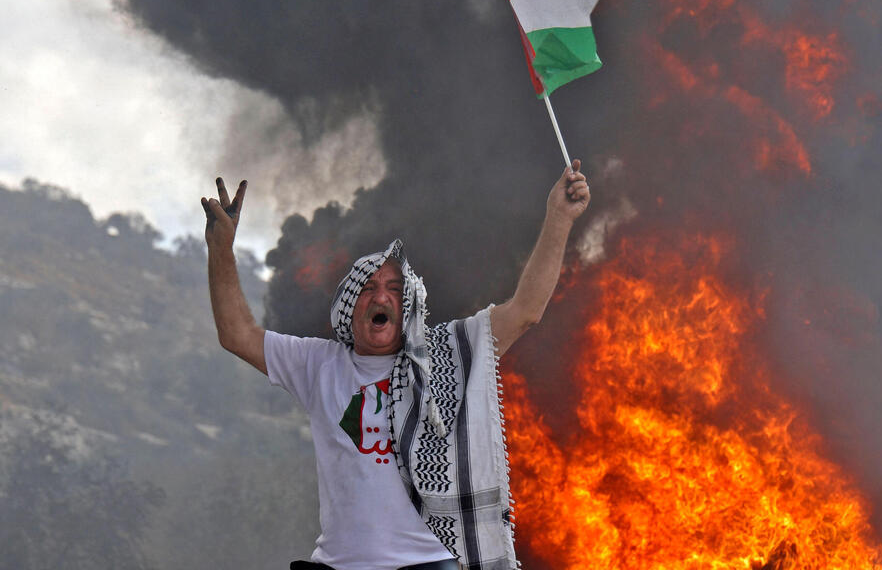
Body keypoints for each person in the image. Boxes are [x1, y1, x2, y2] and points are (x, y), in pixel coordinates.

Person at [201, 161, 590, 570]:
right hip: (341, 564)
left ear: (409, 306)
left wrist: (559, 218)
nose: (381, 296)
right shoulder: (319, 364)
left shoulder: (446, 354)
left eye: (394, 288)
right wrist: (221, 249)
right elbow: (237, 334)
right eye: (368, 288)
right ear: (349, 309)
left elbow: (526, 311)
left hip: (429, 562)